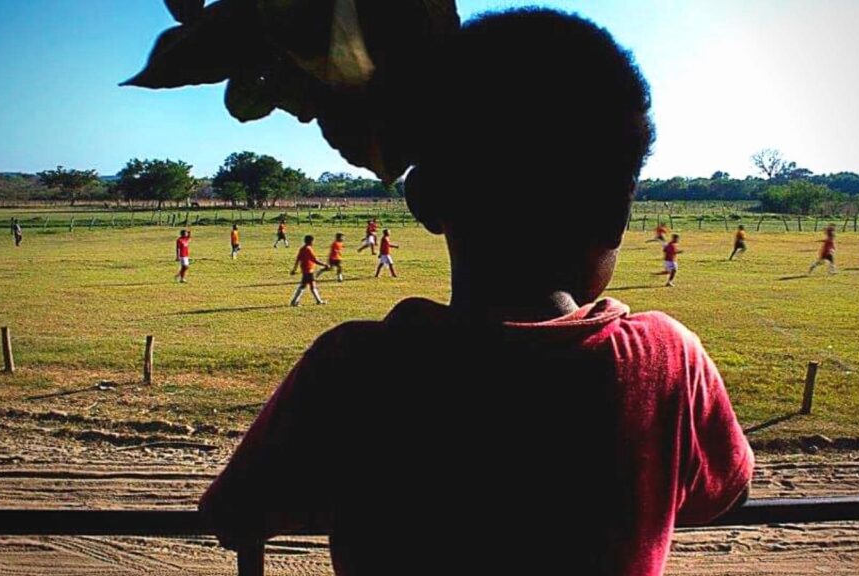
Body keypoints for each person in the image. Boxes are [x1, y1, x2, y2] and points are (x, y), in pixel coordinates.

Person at [199, 10, 752, 576]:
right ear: (617, 209)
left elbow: (234, 512)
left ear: (427, 200)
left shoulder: (351, 368)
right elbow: (725, 490)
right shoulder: (667, 360)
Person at [289, 235, 327, 305]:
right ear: (310, 241)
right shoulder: (308, 249)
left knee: (308, 285)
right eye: (312, 241)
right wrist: (324, 264)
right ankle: (294, 301)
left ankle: (318, 301)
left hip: (305, 270)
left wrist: (294, 269)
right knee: (306, 286)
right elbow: (315, 260)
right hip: (308, 270)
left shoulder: (302, 249)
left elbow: (298, 259)